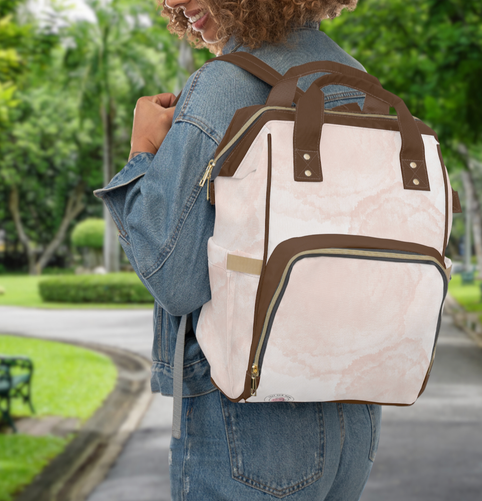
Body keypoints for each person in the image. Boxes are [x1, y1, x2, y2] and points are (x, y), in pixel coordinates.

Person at [94, 1, 382, 499]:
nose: (171, 3)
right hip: (353, 412)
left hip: (250, 421)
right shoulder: (355, 78)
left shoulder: (224, 86)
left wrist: (142, 152)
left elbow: (174, 279)